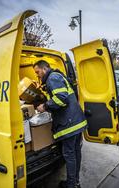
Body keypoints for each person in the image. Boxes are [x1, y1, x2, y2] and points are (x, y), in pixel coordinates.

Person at [33, 60, 87, 188]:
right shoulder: (56, 76)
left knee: (69, 155)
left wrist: (45, 106)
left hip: (69, 124)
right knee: (75, 153)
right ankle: (75, 182)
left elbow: (61, 99)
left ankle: (71, 184)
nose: (37, 75)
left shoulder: (53, 77)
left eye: (38, 72)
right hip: (76, 121)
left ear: (44, 68)